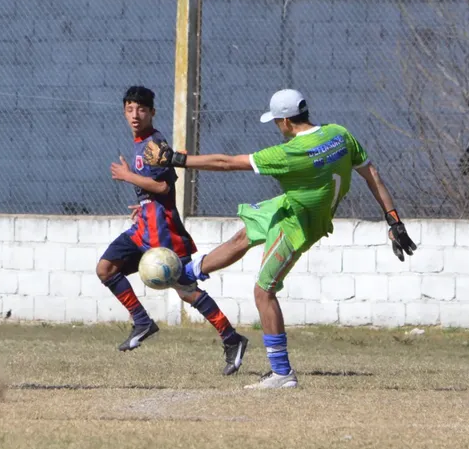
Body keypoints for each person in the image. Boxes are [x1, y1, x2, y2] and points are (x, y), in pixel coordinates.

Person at [144, 89, 416, 389]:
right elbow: (372, 174)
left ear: (285, 121)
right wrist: (393, 220)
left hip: (300, 224)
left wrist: (175, 158)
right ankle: (188, 274)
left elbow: (226, 163)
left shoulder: (289, 154)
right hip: (291, 204)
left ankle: (282, 373)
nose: (277, 128)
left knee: (264, 292)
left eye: (276, 122)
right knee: (244, 235)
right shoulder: (339, 135)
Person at [100, 86, 248, 374]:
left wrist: (128, 176)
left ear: (152, 112)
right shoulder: (140, 142)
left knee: (184, 289)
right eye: (130, 109)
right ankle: (142, 321)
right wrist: (141, 203)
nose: (135, 115)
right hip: (144, 223)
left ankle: (232, 338)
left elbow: (164, 187)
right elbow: (153, 190)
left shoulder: (154, 143)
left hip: (161, 229)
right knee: (106, 269)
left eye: (141, 109)